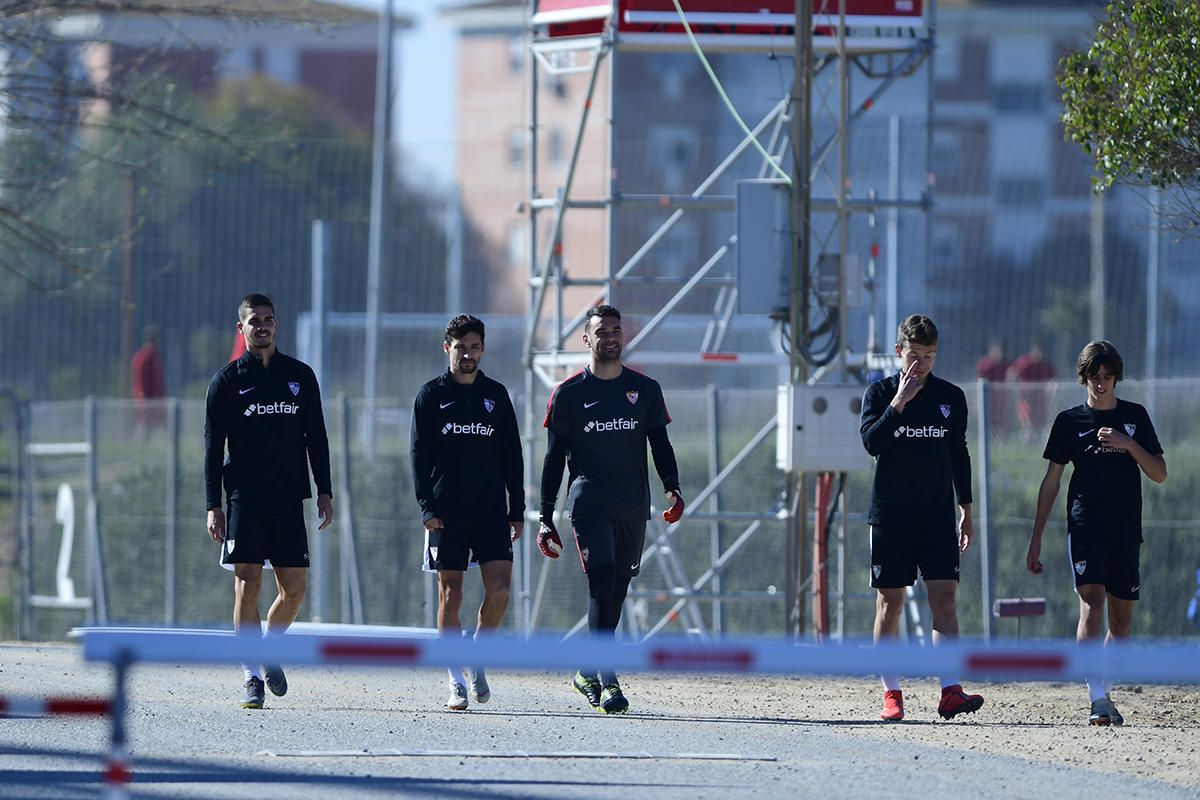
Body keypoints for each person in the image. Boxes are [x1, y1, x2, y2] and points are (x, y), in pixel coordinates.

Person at [537, 304, 684, 714]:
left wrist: (673, 488)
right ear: (586, 339)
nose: (610, 337)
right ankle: (607, 677)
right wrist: (545, 515)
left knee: (617, 590)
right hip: (589, 503)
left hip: (634, 505)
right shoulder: (568, 394)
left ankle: (586, 670)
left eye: (616, 330)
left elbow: (661, 444)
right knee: (601, 581)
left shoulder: (645, 389)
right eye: (601, 331)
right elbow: (553, 460)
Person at [1025, 340, 1166, 726]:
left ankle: (1104, 688)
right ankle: (1095, 697)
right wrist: (1036, 537)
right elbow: (1051, 482)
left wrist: (1128, 444)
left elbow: (1159, 472)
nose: (1101, 384)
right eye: (1094, 377)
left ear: (1116, 377)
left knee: (1121, 625)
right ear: (1083, 378)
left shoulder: (1135, 416)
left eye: (1107, 377)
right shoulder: (1069, 422)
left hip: (1125, 530)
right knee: (1092, 604)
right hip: (1085, 526)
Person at [204, 293, 334, 710]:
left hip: (287, 498)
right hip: (244, 498)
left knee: (294, 591)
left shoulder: (299, 376)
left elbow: (317, 437)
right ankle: (250, 676)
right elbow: (211, 447)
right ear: (239, 328)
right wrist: (213, 504)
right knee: (248, 584)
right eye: (253, 320)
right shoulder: (226, 382)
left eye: (268, 319)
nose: (262, 326)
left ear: (277, 326)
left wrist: (325, 491)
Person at [859, 314, 984, 722]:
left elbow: (959, 455)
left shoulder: (951, 397)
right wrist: (899, 402)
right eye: (915, 355)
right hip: (891, 517)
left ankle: (951, 690)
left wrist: (966, 509)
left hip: (936, 516)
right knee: (889, 604)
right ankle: (891, 694)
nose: (922, 363)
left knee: (945, 600)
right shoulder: (879, 393)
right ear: (899, 353)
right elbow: (871, 442)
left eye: (929, 355)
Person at [410, 314, 525, 711]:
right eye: (460, 347)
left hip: (491, 511)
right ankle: (454, 679)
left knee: (501, 591)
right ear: (448, 349)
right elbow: (418, 455)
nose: (468, 354)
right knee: (451, 594)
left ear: (483, 349)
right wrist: (427, 506)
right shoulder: (430, 395)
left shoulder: (496, 395)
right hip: (446, 513)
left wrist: (518, 509)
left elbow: (513, 454)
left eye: (474, 347)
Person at [1008, 341, 1057, 440]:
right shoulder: (1025, 362)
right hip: (1027, 399)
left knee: (1040, 422)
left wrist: (1052, 392)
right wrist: (1014, 390)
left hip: (1040, 399)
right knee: (1027, 422)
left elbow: (1054, 379)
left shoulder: (1046, 364)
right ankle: (1026, 439)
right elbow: (1012, 374)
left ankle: (1035, 440)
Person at [130, 325, 166, 437]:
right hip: (146, 398)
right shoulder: (144, 357)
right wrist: (142, 397)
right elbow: (140, 380)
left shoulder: (153, 356)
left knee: (155, 424)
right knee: (145, 423)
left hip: (154, 398)